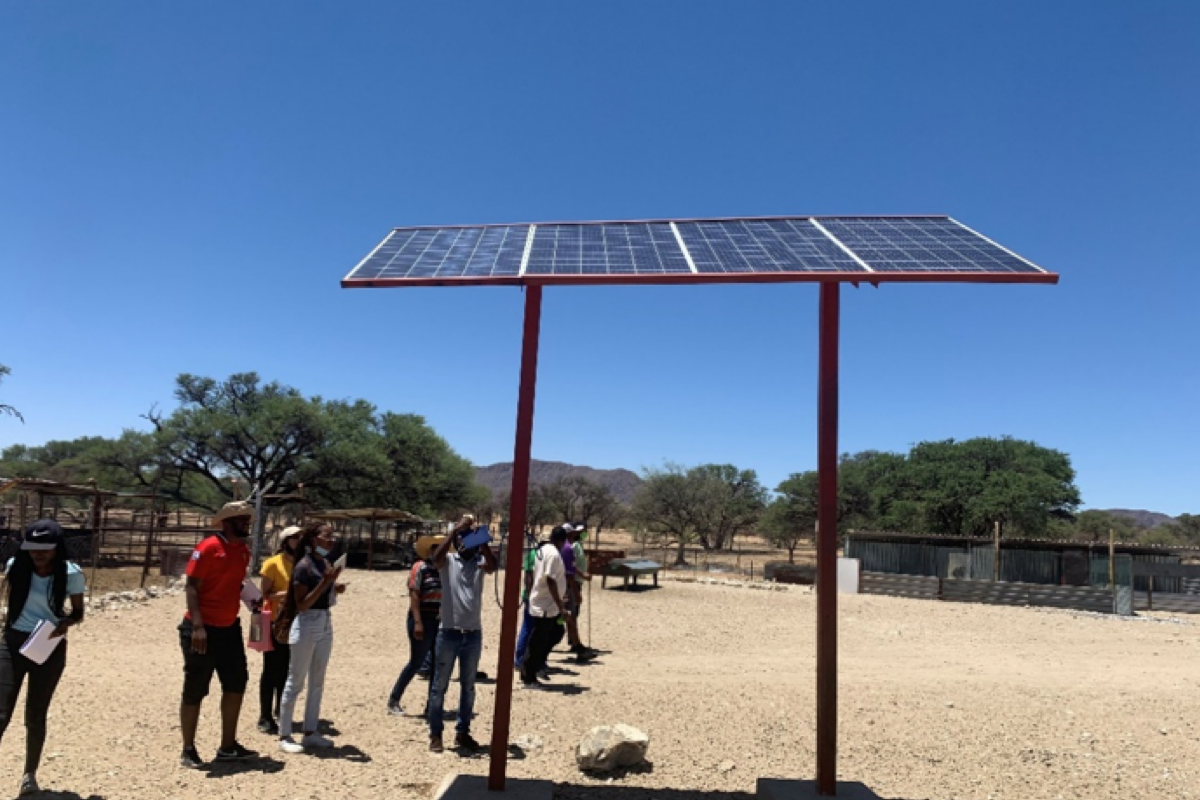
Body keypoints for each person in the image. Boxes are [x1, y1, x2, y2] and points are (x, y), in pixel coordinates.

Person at [0, 520, 85, 797]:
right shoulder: (16, 566)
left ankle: (29, 775)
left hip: (48, 645)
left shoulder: (71, 574)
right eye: (33, 549)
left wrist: (65, 623)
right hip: (12, 642)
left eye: (44, 549)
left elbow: (78, 613)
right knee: (1, 712)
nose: (38, 554)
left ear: (56, 549)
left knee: (36, 714)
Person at [179, 501, 259, 769]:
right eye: (241, 519)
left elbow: (239, 583)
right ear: (227, 522)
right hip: (202, 628)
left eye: (248, 519)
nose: (247, 523)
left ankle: (228, 745)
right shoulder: (208, 548)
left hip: (229, 627)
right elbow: (191, 587)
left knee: (236, 683)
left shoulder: (243, 551)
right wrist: (198, 627)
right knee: (196, 687)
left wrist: (255, 602)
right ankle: (188, 748)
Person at [426, 514, 497, 753]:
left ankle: (462, 732)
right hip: (449, 632)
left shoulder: (479, 563)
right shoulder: (448, 561)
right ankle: (436, 733)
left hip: (472, 633)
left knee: (468, 686)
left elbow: (493, 565)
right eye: (463, 539)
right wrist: (455, 531)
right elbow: (434, 558)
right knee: (440, 685)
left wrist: (483, 540)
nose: (466, 543)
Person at [277, 521, 345, 754]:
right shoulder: (303, 567)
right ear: (315, 539)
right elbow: (303, 605)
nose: (331, 540)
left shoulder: (323, 562)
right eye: (327, 536)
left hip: (324, 621)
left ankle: (310, 731)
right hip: (307, 623)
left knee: (318, 679)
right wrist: (326, 582)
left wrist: (333, 587)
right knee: (295, 680)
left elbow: (321, 594)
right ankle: (285, 734)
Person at [386, 536, 443, 716]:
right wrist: (418, 622)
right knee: (417, 661)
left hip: (439, 619)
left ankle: (432, 705)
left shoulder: (443, 569)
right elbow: (415, 595)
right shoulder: (420, 567)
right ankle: (394, 699)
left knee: (438, 663)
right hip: (422, 617)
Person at [256, 525, 301, 735]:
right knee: (271, 670)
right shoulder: (272, 564)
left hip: (295, 622)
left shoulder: (302, 563)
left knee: (287, 669)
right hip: (274, 621)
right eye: (294, 537)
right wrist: (288, 594)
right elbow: (264, 595)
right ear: (285, 541)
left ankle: (280, 710)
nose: (298, 540)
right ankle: (265, 716)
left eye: (301, 537)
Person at [520, 526, 571, 690]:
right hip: (545, 604)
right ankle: (529, 674)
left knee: (555, 632)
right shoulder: (553, 554)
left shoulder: (543, 551)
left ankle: (535, 666)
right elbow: (550, 579)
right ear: (562, 541)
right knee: (538, 640)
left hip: (546, 602)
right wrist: (560, 604)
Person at [565, 523, 597, 660]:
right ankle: (576, 644)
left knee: (573, 614)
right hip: (572, 583)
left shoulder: (577, 545)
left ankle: (575, 643)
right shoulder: (570, 547)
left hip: (576, 582)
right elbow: (570, 568)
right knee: (570, 614)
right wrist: (582, 574)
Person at [512, 529, 540, 670]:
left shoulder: (534, 554)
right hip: (532, 597)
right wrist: (530, 595)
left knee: (530, 628)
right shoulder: (536, 555)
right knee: (528, 628)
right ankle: (520, 659)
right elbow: (528, 577)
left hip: (533, 596)